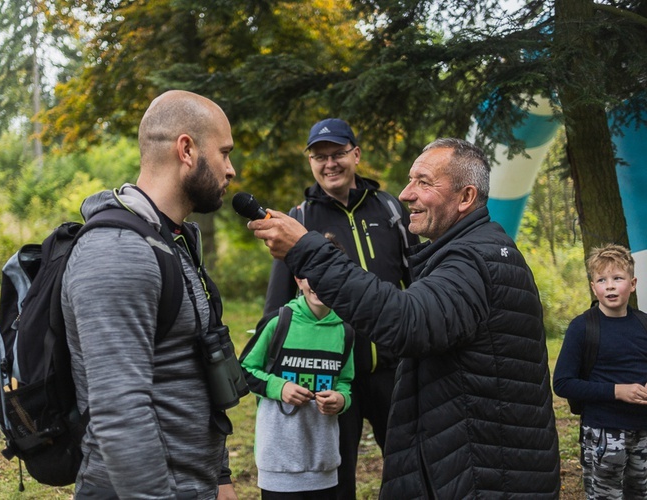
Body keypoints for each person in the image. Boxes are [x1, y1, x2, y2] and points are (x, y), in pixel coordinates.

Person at [247, 137, 560, 498]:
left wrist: (309, 252)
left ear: (466, 197)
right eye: (410, 180)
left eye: (424, 182)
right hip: (469, 459)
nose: (407, 193)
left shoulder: (474, 262)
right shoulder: (469, 252)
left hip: (486, 474)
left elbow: (408, 321)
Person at [61, 90, 239, 499]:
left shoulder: (172, 240)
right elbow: (120, 415)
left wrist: (220, 477)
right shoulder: (119, 252)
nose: (230, 170)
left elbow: (192, 367)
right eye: (224, 153)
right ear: (187, 149)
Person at [262, 118, 417, 499]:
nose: (329, 163)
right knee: (336, 477)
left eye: (337, 154)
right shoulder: (298, 220)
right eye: (319, 157)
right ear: (310, 162)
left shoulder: (391, 210)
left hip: (390, 370)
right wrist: (278, 375)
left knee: (409, 464)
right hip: (330, 378)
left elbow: (419, 281)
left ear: (356, 155)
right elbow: (277, 303)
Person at [242, 233, 355, 499]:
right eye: (309, 274)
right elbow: (244, 371)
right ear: (298, 279)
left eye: (326, 272)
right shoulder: (277, 322)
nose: (317, 282)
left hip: (323, 462)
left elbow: (346, 383)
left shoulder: (346, 331)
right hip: (277, 464)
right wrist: (278, 387)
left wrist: (341, 399)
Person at [553, 244, 647, 499]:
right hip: (603, 433)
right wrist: (616, 391)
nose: (610, 286)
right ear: (594, 287)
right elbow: (562, 383)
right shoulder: (582, 327)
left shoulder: (644, 324)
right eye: (602, 280)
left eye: (618, 278)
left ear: (633, 283)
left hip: (643, 432)